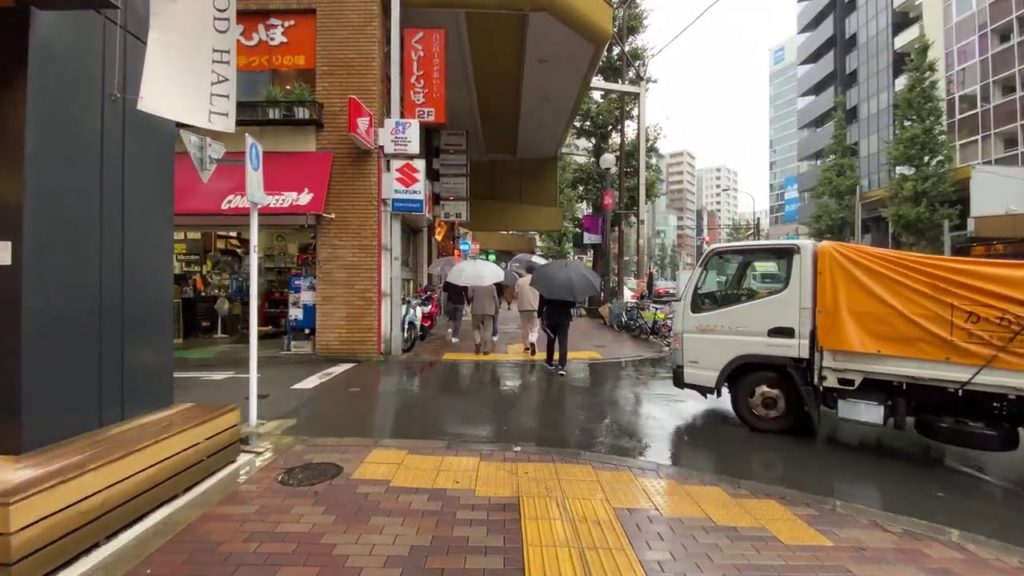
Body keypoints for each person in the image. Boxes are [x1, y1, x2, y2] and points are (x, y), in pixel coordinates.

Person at [538, 294, 575, 376]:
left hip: (550, 316)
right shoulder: (568, 288)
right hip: (564, 317)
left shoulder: (548, 287)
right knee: (563, 342)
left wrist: (540, 315)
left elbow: (542, 302)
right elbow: (573, 304)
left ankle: (549, 361)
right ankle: (561, 365)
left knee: (551, 339)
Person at [514, 264, 541, 356]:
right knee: (535, 327)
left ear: (526, 271)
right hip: (534, 307)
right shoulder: (537, 281)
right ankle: (532, 340)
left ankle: (526, 346)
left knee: (525, 327)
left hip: (522, 307)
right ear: (534, 271)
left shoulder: (520, 281)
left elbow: (516, 295)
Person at [470, 283, 499, 355]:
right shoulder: (492, 287)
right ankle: (486, 349)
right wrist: (496, 310)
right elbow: (495, 299)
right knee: (487, 330)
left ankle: (478, 341)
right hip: (488, 311)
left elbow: (470, 297)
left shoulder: (473, 286)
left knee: (475, 327)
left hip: (476, 310)